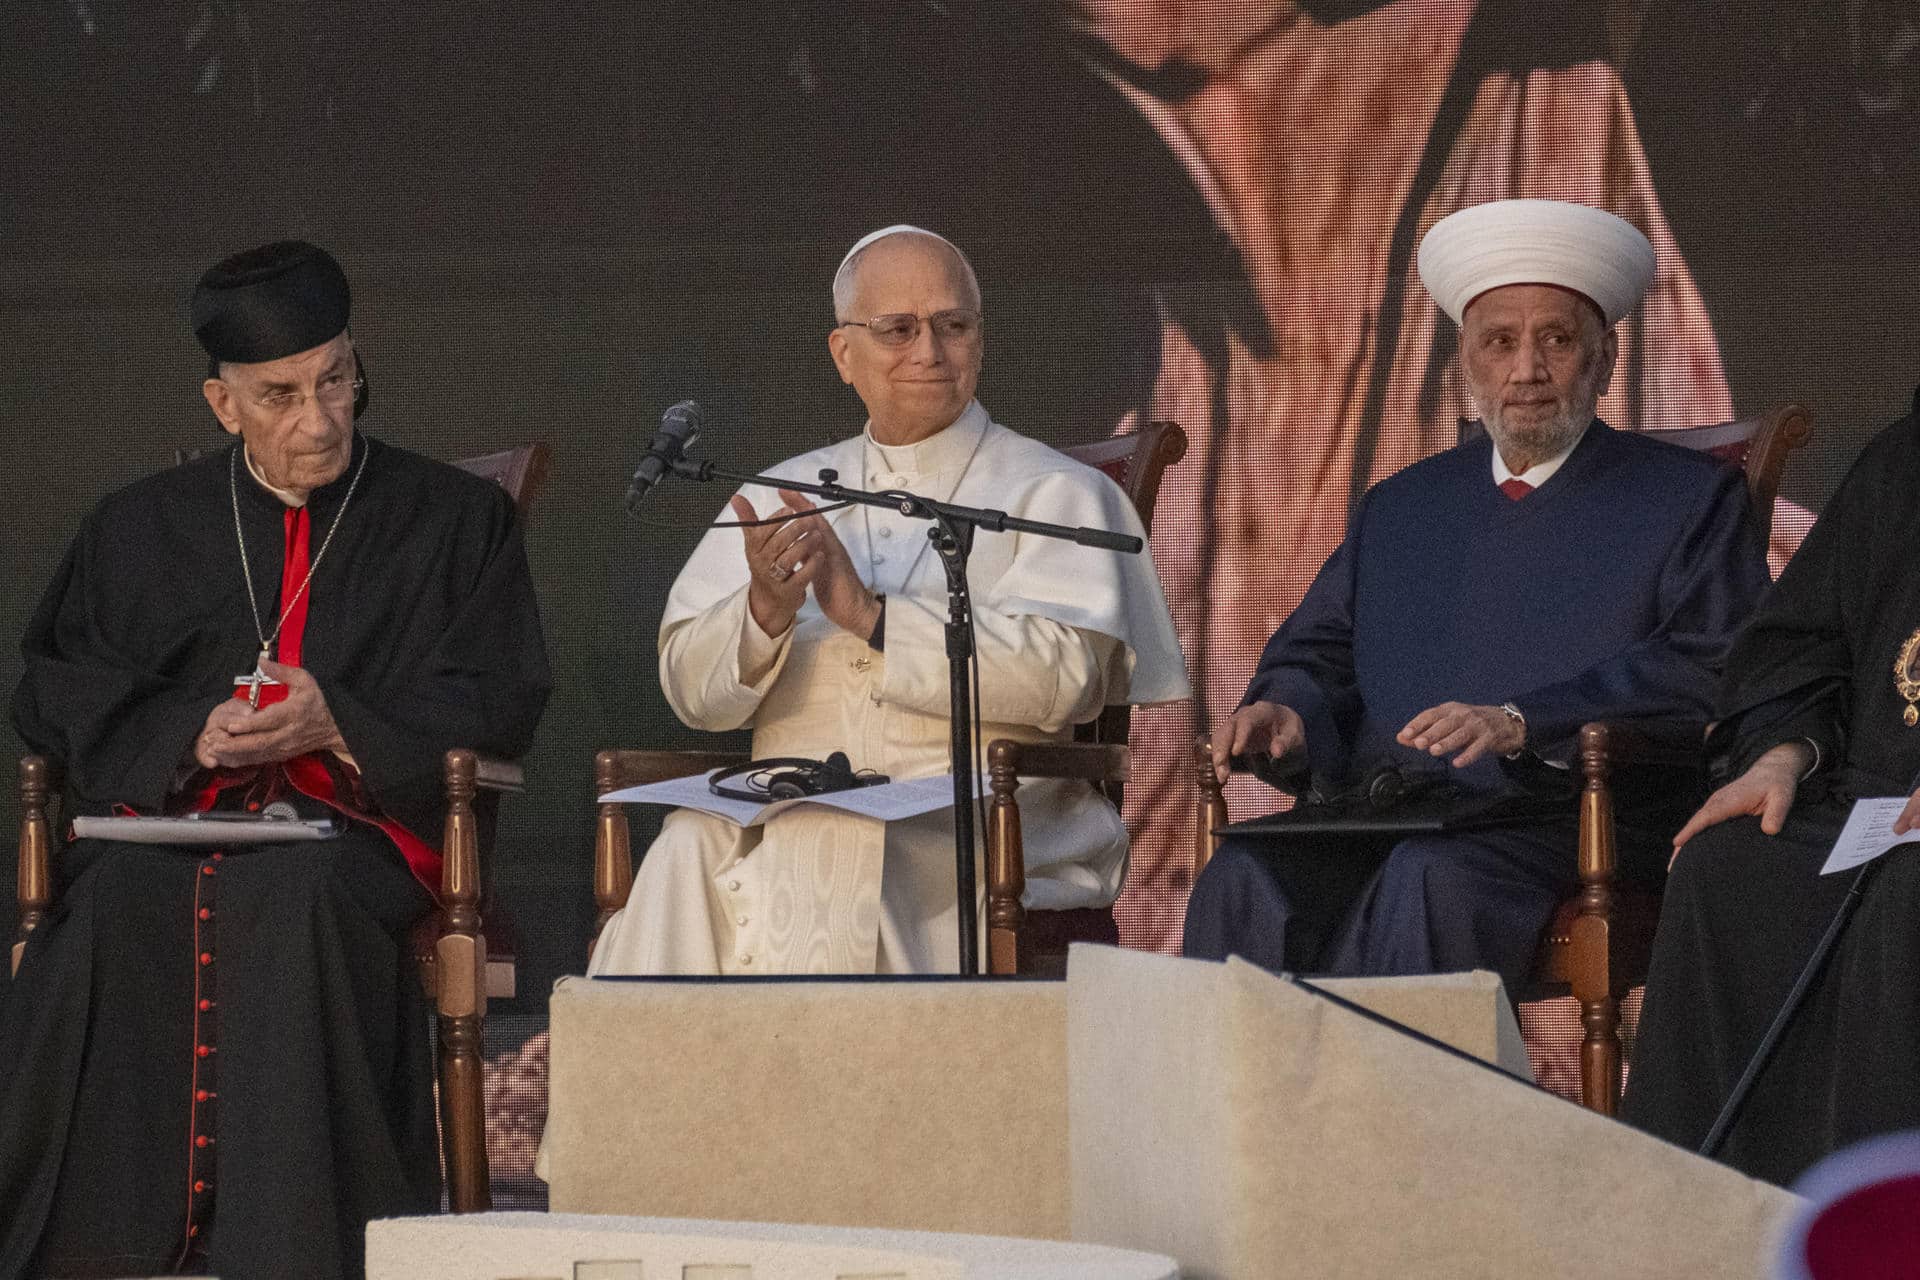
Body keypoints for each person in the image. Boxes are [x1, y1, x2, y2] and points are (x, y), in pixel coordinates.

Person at [0, 241, 551, 1280]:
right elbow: (53, 686)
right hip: (176, 829)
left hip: (357, 835)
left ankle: (294, 1247)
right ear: (223, 404)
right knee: (113, 899)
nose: (319, 418)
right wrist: (190, 734)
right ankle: (107, 1248)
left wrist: (333, 723)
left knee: (297, 891)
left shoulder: (452, 519)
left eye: (336, 379)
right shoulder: (136, 528)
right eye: (281, 393)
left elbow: (502, 691)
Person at [1181, 200, 1771, 996]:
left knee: (1429, 880)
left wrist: (1524, 722)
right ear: (1467, 360)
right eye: (1500, 342)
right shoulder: (1402, 506)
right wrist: (1285, 710)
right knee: (1244, 873)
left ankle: (1400, 1124)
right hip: (1401, 807)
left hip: (1574, 815)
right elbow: (1319, 651)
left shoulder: (1691, 498)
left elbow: (1715, 663)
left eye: (1557, 340)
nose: (1527, 368)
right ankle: (1239, 1123)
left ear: (1606, 359)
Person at [588, 225, 1188, 975]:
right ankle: (665, 1096)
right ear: (844, 354)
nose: (929, 351)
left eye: (953, 326)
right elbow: (692, 693)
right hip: (791, 809)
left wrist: (871, 617)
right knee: (685, 845)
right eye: (898, 329)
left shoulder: (1058, 492)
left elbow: (1064, 682)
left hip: (972, 832)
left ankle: (838, 1093)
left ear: (980, 338)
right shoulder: (777, 493)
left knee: (827, 847)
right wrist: (763, 618)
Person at [1622, 389, 1920, 1185]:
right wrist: (1785, 753)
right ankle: (1699, 1221)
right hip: (1870, 796)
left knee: (1910, 888)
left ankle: (1875, 1225)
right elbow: (1803, 639)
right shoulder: (1904, 457)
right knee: (1728, 865)